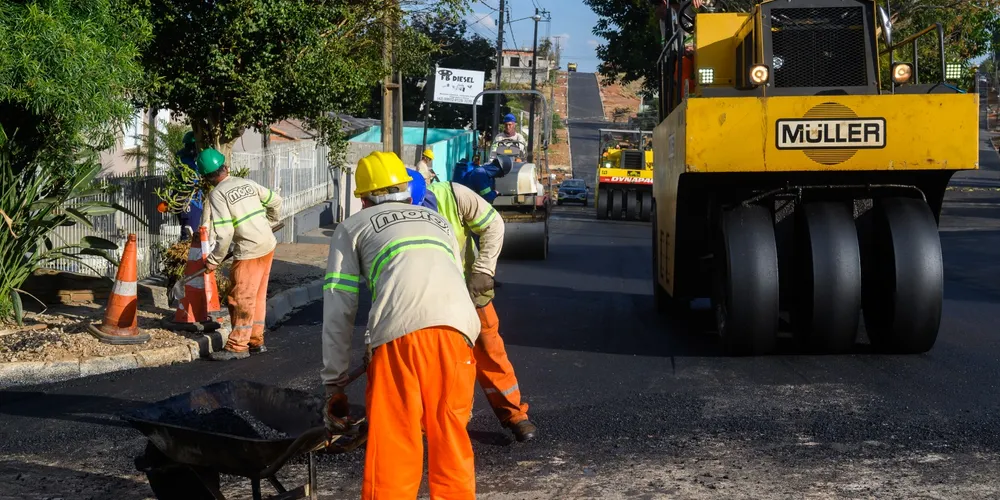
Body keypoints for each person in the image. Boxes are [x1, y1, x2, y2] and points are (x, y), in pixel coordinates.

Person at [321, 151, 481, 499]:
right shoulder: (437, 220)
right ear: (408, 190)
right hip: (461, 330)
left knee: (395, 438)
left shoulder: (352, 227)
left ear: (363, 198)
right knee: (450, 433)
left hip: (401, 334)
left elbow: (339, 304)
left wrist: (334, 381)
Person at [416, 167, 538, 443]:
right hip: (429, 293)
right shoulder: (396, 213)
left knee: (488, 346)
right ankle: (429, 421)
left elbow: (494, 224)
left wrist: (483, 270)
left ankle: (514, 413)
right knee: (433, 357)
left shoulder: (454, 195)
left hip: (469, 286)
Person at [196, 147, 283, 361]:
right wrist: (268, 224)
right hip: (267, 245)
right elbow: (276, 201)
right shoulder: (247, 183)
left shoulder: (218, 194)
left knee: (240, 298)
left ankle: (237, 346)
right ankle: (256, 340)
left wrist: (214, 260)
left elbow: (225, 234)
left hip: (250, 251)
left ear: (207, 177)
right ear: (225, 167)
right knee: (258, 296)